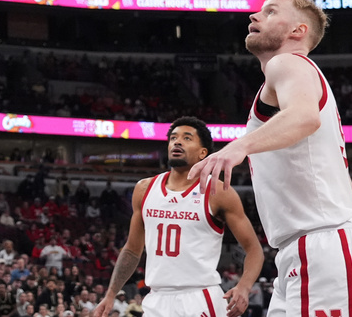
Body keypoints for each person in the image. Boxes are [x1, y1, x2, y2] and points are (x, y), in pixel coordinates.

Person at [191, 0, 352, 315]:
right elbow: (351, 197)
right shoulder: (295, 77)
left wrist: (239, 146)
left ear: (298, 31)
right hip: (301, 251)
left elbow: (304, 117)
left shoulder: (288, 62)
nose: (255, 16)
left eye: (270, 11)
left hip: (321, 247)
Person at [94, 116, 263, 317]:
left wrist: (243, 287)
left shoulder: (217, 192)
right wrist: (111, 294)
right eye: (173, 138)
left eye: (187, 138)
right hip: (156, 299)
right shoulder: (144, 189)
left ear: (203, 153)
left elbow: (254, 249)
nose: (177, 142)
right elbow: (132, 250)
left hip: (199, 297)